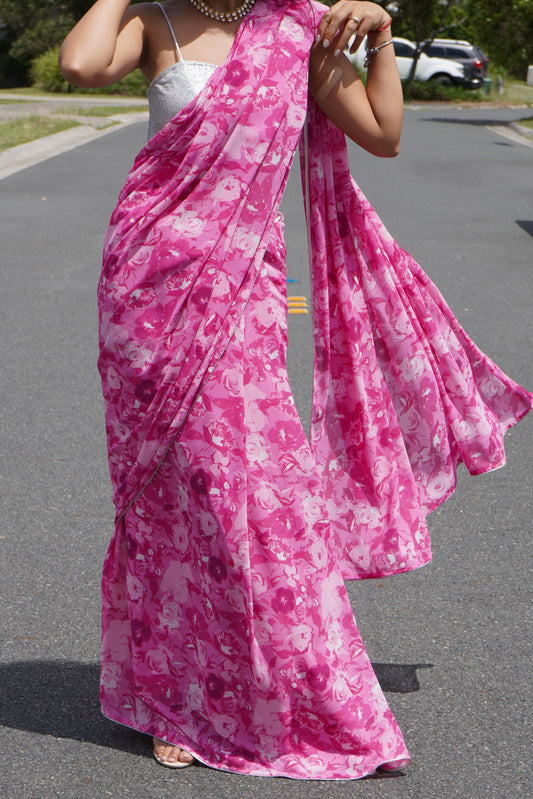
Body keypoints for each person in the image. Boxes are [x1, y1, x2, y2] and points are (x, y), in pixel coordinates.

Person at [59, 0, 532, 780]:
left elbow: (382, 133)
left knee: (260, 493)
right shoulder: (152, 19)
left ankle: (300, 689)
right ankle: (174, 695)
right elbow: (80, 65)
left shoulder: (293, 30)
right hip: (146, 283)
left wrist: (379, 36)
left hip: (243, 287)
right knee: (174, 494)